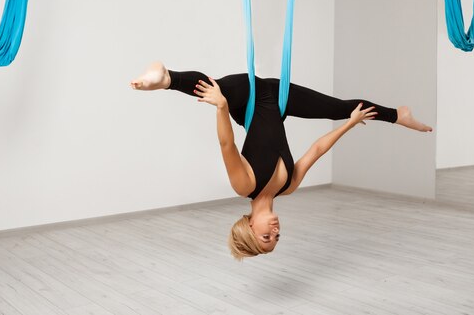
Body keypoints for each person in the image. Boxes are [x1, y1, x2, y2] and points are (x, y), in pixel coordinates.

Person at [131, 62, 432, 260]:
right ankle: (398, 115)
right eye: (277, 236)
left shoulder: (245, 185)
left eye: (266, 235)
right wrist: (349, 124)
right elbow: (316, 150)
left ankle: (165, 77)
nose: (275, 230)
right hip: (277, 98)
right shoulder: (287, 186)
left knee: (217, 89)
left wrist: (222, 108)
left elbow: (227, 145)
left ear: (249, 227)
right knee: (339, 108)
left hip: (245, 97)